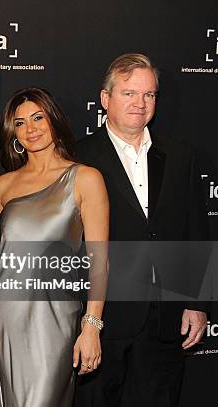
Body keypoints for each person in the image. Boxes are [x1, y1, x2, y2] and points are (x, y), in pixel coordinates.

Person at [75, 53, 209, 407]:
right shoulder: (78, 158)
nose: (140, 103)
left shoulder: (181, 157)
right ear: (105, 99)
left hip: (165, 322)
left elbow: (195, 230)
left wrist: (197, 303)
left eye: (148, 95)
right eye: (129, 93)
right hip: (103, 320)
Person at [0, 87, 109, 406]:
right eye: (20, 123)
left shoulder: (85, 179)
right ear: (13, 134)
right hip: (6, 317)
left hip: (55, 320)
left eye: (38, 117)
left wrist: (91, 326)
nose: (31, 128)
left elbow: (99, 261)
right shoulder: (4, 185)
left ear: (54, 120)